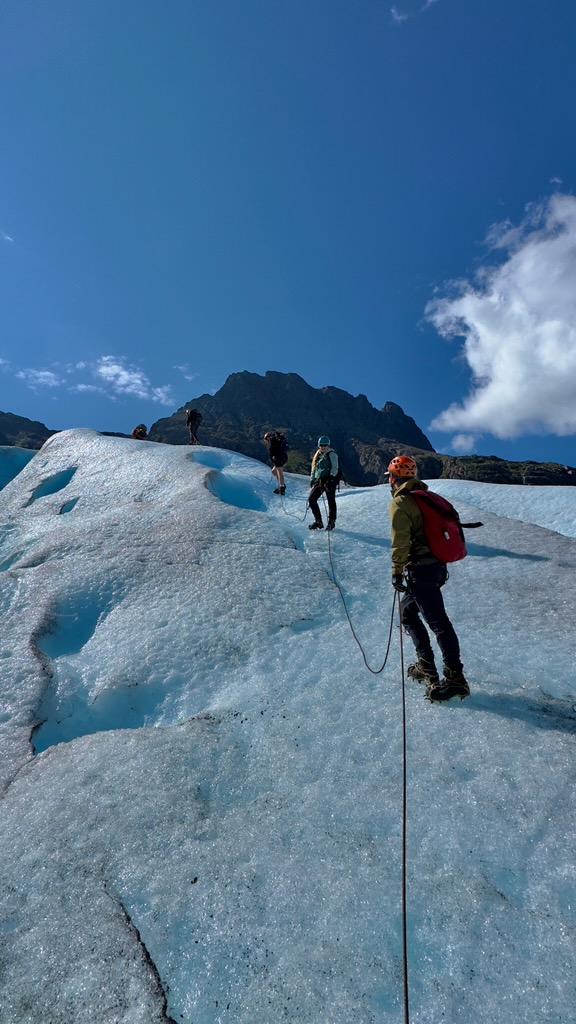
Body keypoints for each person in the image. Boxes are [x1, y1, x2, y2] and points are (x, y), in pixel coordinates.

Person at [388, 454, 470, 702]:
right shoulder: (425, 498)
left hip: (420, 570)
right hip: (435, 567)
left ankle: (455, 679)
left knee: (437, 622)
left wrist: (396, 570)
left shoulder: (401, 502)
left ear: (393, 478)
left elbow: (400, 540)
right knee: (408, 613)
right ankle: (426, 664)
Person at [308, 435, 339, 532]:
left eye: (325, 445)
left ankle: (331, 521)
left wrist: (331, 478)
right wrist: (313, 479)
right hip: (319, 480)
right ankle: (318, 520)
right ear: (319, 445)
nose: (323, 447)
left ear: (328, 445)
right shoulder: (318, 455)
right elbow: (314, 468)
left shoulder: (332, 454)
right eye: (321, 445)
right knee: (312, 499)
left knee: (331, 500)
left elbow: (335, 467)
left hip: (329, 480)